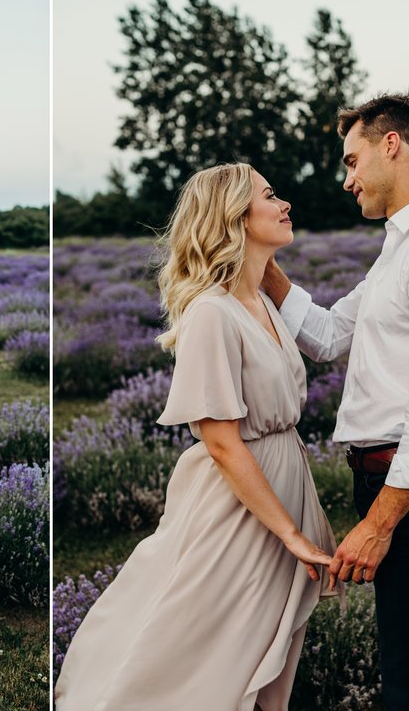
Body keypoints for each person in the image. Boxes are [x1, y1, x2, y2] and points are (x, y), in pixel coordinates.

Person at [55, 163, 338, 710]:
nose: (286, 205)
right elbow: (222, 441)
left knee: (260, 650)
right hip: (237, 509)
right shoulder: (212, 313)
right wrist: (291, 535)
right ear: (235, 216)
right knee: (202, 651)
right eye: (270, 195)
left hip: (279, 490)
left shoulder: (262, 305)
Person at [261, 92, 409, 710]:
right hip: (393, 482)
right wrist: (259, 265)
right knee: (406, 667)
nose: (347, 179)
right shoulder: (403, 245)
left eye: (352, 160)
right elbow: (329, 334)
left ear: (391, 145)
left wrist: (380, 522)